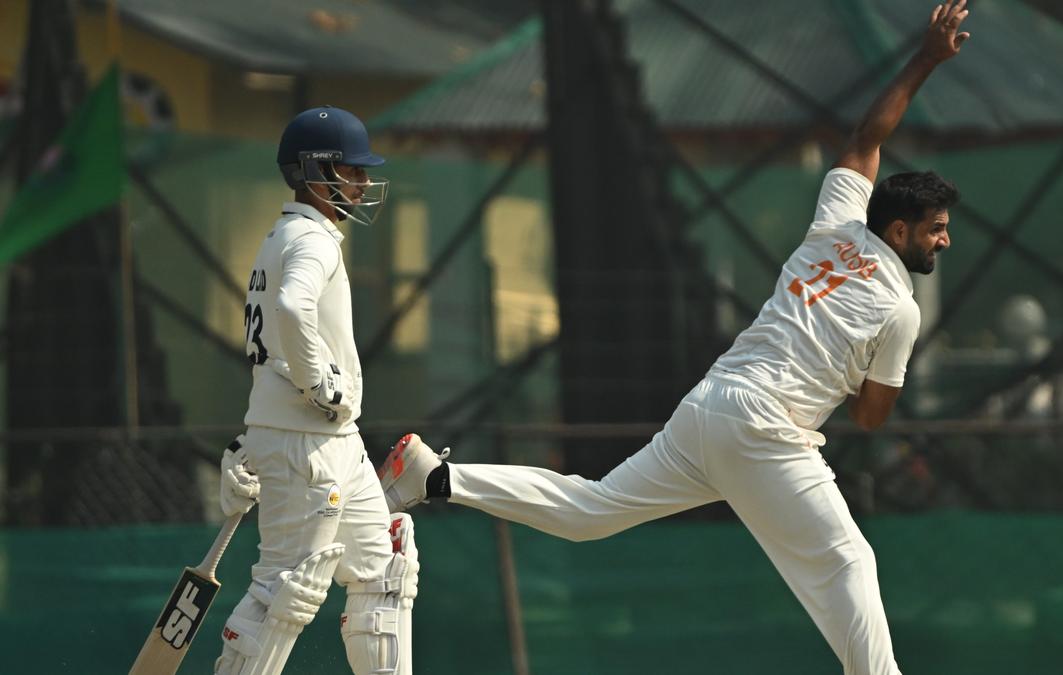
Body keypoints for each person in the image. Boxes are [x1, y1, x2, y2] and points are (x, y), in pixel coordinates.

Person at [383, 3, 970, 674]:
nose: (944, 240)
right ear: (899, 231)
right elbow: (869, 418)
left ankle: (436, 476)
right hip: (767, 429)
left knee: (592, 510)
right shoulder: (899, 308)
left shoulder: (836, 223)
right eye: (936, 229)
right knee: (848, 561)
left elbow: (868, 136)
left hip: (711, 406)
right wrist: (861, 370)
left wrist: (925, 58)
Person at [213, 106, 419, 675]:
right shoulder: (313, 241)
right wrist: (321, 385)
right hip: (309, 442)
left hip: (330, 441)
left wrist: (254, 437)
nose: (362, 182)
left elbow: (271, 340)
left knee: (384, 570)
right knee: (287, 590)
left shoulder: (282, 237)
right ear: (315, 172)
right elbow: (291, 307)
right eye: (352, 170)